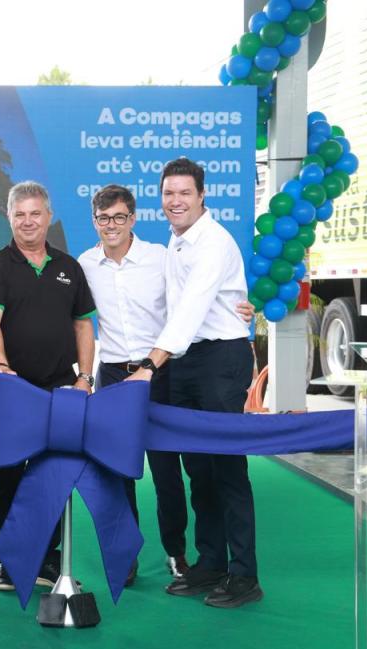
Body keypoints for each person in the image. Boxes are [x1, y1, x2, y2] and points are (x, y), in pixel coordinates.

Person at [79, 184, 254, 586]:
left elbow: (200, 296)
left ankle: (176, 552)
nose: (111, 225)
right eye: (103, 218)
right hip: (113, 375)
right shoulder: (84, 264)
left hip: (159, 373)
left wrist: (242, 307)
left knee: (167, 472)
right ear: (94, 221)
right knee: (117, 471)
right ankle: (125, 556)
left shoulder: (161, 257)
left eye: (119, 217)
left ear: (133, 218)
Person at [128, 157, 261, 608]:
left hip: (220, 359)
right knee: (198, 468)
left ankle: (245, 575)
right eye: (169, 193)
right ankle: (211, 562)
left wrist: (150, 364)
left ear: (202, 195)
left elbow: (192, 308)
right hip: (187, 362)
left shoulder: (214, 242)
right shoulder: (177, 239)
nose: (176, 200)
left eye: (185, 192)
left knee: (227, 467)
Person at [0, 181, 97, 591]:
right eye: (19, 214)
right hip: (13, 391)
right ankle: (8, 563)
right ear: (9, 217)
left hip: (61, 390)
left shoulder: (69, 267)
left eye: (35, 213)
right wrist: (1, 368)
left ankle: (46, 558)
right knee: (7, 475)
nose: (28, 221)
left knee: (53, 474)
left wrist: (85, 377)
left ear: (48, 216)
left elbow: (83, 325)